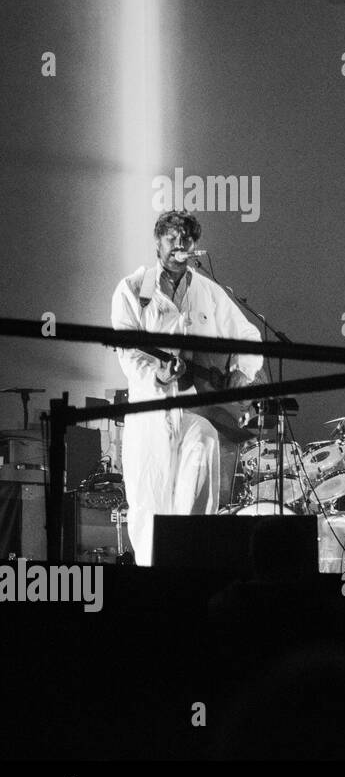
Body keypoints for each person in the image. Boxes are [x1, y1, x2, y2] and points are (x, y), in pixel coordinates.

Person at [111, 212, 263, 565]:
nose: (178, 246)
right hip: (151, 413)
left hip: (196, 410)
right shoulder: (134, 290)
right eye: (171, 239)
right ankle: (153, 577)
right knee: (150, 501)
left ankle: (191, 564)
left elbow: (248, 336)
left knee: (202, 452)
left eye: (186, 241)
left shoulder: (209, 291)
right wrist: (159, 376)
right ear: (158, 242)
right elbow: (129, 354)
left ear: (195, 247)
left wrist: (241, 369)